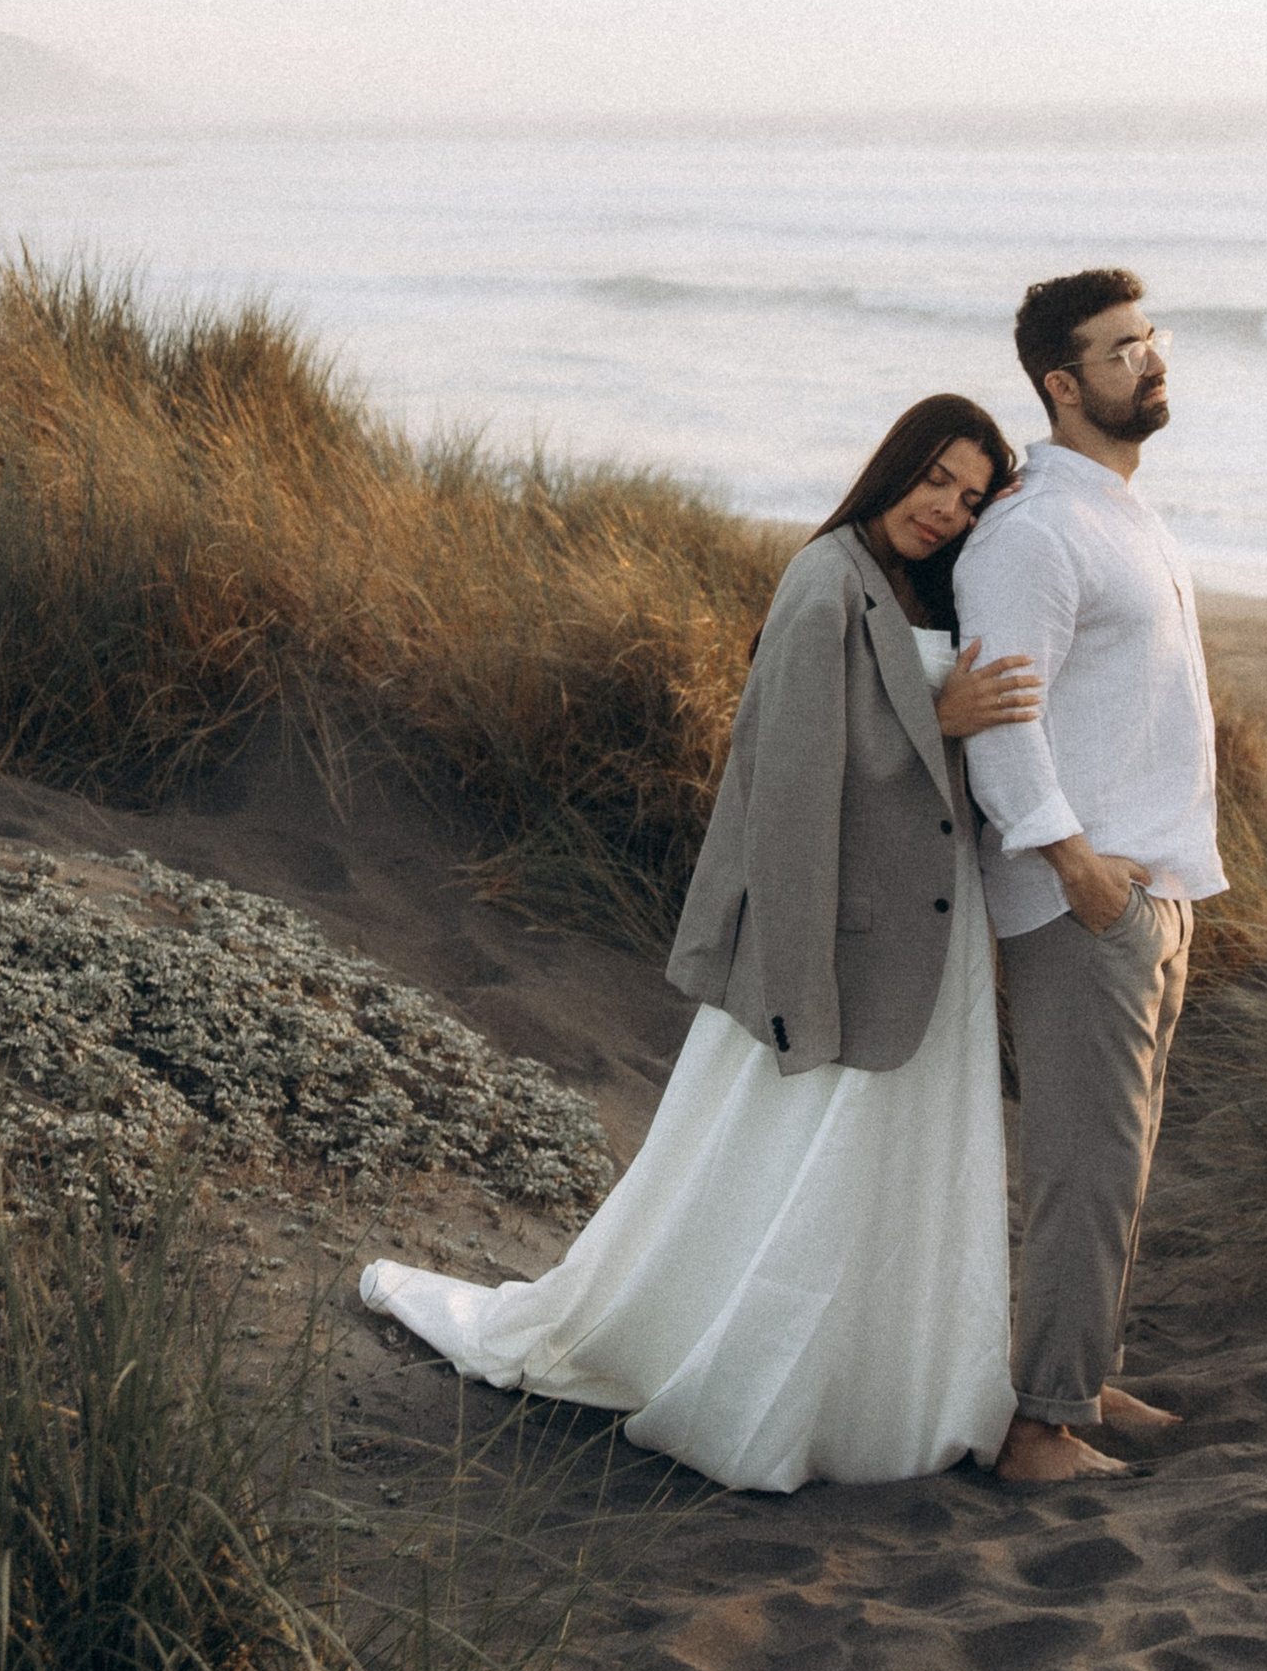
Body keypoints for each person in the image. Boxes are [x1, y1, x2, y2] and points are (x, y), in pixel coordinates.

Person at [360, 396, 1043, 1490]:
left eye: (970, 498)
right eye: (935, 480)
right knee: (788, 1156)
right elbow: (789, 782)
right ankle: (761, 1385)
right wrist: (939, 731)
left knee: (899, 1165)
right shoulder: (822, 579)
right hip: (839, 929)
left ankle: (886, 1392)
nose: (946, 509)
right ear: (895, 465)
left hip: (927, 927)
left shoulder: (922, 585)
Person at [954, 269, 1226, 1485]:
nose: (1149, 360)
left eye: (1150, 338)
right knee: (1083, 1160)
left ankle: (1079, 1375)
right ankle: (1037, 1429)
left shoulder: (1125, 512)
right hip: (1086, 899)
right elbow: (1001, 723)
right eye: (1120, 350)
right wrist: (1077, 868)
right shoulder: (1033, 531)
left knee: (1124, 1153)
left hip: (1154, 886)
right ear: (1062, 386)